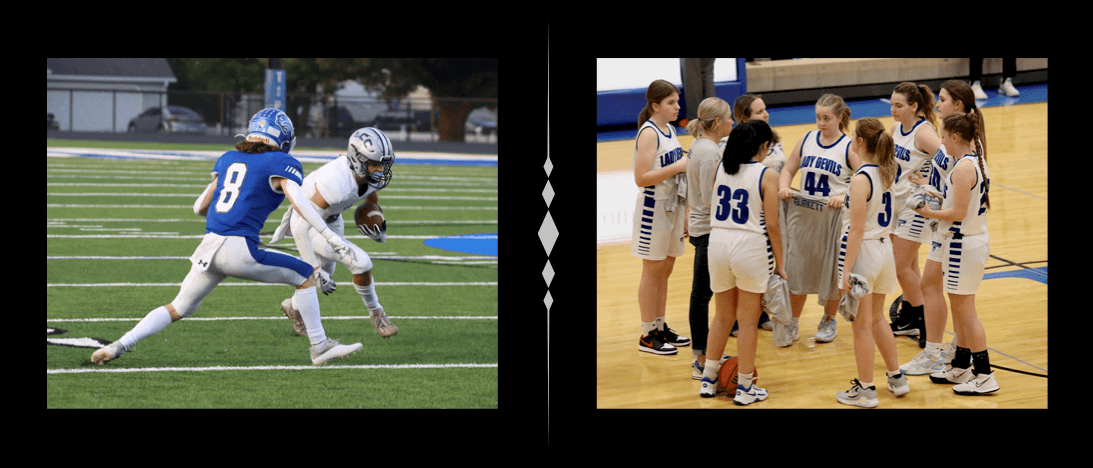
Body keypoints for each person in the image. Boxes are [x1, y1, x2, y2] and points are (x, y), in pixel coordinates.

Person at [91, 109, 363, 366]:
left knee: (178, 307)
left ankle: (118, 345)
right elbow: (302, 204)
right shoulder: (281, 162)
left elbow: (199, 208)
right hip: (240, 249)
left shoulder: (228, 159)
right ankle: (320, 346)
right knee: (306, 274)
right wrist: (328, 234)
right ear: (282, 139)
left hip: (209, 248)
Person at [273, 127, 400, 339]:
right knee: (361, 263)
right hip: (309, 223)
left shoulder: (369, 174)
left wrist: (373, 218)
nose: (380, 170)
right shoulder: (336, 182)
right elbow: (300, 227)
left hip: (332, 219)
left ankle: (294, 308)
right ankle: (377, 314)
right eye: (375, 164)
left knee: (327, 272)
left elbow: (371, 196)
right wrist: (313, 268)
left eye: (384, 164)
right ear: (357, 160)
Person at [899, 79, 986, 375]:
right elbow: (945, 178)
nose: (937, 104)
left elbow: (962, 192)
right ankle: (942, 349)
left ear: (957, 106)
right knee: (931, 285)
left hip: (952, 227)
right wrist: (929, 184)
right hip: (943, 225)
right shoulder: (952, 139)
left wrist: (931, 207)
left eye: (943, 100)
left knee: (953, 295)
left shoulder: (962, 146)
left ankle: (955, 351)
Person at [698, 120, 785, 405]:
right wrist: (781, 264)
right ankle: (746, 387)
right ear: (762, 147)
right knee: (747, 323)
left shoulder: (719, 168)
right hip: (749, 246)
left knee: (722, 316)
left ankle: (709, 380)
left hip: (718, 243)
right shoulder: (766, 174)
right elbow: (772, 225)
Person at [916, 111, 999, 395]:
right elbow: (959, 203)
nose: (940, 141)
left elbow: (958, 212)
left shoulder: (964, 167)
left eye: (942, 137)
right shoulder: (972, 160)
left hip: (963, 244)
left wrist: (929, 212)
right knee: (961, 310)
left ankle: (985, 374)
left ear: (954, 138)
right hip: (966, 242)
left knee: (966, 312)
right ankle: (962, 365)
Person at [834, 118, 909, 407]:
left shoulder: (860, 179)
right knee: (877, 318)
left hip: (864, 252)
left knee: (861, 325)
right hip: (884, 250)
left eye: (853, 136)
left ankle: (865, 389)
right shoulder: (887, 173)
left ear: (860, 142)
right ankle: (897, 378)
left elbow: (856, 229)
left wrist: (845, 272)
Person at [778, 94, 861, 344]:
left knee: (832, 273)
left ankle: (829, 320)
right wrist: (784, 186)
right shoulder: (807, 139)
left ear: (839, 118)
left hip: (834, 219)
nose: (821, 123)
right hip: (804, 216)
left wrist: (843, 195)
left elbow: (866, 179)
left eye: (827, 118)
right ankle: (792, 321)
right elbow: (788, 168)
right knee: (796, 270)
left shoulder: (848, 146)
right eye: (818, 118)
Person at [633, 79, 691, 355]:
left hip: (673, 207)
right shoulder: (649, 133)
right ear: (655, 106)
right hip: (653, 209)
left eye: (677, 102)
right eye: (671, 103)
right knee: (652, 271)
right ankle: (647, 334)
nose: (677, 107)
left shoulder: (669, 129)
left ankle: (659, 326)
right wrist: (678, 166)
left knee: (665, 270)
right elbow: (641, 178)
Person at [886, 82, 941, 354]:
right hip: (897, 202)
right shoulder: (897, 129)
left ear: (914, 106)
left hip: (917, 204)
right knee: (910, 266)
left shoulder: (924, 132)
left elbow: (950, 161)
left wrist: (929, 181)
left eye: (899, 105)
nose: (894, 109)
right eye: (892, 104)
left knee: (898, 266)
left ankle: (923, 320)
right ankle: (909, 316)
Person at [684, 97, 732, 377]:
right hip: (708, 232)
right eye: (728, 119)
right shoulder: (709, 152)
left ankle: (705, 352)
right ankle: (700, 359)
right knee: (701, 296)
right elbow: (710, 197)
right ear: (716, 123)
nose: (731, 123)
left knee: (703, 295)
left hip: (703, 228)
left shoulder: (700, 145)